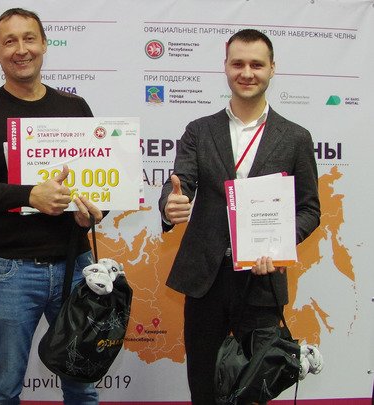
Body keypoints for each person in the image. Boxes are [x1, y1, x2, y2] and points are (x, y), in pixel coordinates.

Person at [158, 29, 320, 404]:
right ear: (226, 67)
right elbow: (181, 183)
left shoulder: (295, 137)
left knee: (252, 392)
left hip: (262, 284)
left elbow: (310, 209)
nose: (247, 73)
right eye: (238, 64)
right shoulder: (199, 130)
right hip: (207, 280)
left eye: (256, 65)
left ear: (272, 68)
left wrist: (278, 244)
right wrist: (170, 204)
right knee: (204, 387)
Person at [0, 8, 102, 405]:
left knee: (83, 385)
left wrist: (91, 211)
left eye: (29, 39)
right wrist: (29, 196)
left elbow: (93, 185)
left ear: (44, 44)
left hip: (75, 265)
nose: (21, 49)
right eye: (9, 42)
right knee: (5, 388)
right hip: (11, 270)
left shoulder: (75, 108)